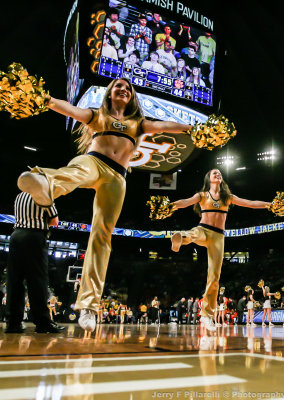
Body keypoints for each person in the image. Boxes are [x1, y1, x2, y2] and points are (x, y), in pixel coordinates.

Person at [17, 78, 193, 332]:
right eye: (117, 86)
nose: (122, 89)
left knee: (101, 236)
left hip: (116, 178)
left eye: (127, 88)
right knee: (77, 170)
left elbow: (166, 125)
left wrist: (192, 129)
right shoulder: (98, 116)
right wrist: (43, 99)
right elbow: (68, 108)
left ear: (132, 97)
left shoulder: (138, 124)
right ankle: (44, 182)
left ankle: (88, 306)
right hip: (94, 162)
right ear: (109, 94)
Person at [170, 169, 270, 331]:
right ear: (208, 178)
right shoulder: (202, 195)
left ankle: (206, 315)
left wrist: (270, 205)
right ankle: (180, 239)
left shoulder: (227, 197)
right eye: (214, 173)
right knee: (193, 233)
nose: (217, 174)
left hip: (218, 237)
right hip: (204, 229)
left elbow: (250, 203)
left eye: (219, 173)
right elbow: (185, 201)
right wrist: (171, 206)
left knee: (214, 277)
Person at [5, 192, 64, 333]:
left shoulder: (19, 195)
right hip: (35, 237)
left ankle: (13, 324)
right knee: (37, 281)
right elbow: (55, 221)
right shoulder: (43, 194)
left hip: (16, 236)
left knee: (15, 281)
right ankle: (43, 323)